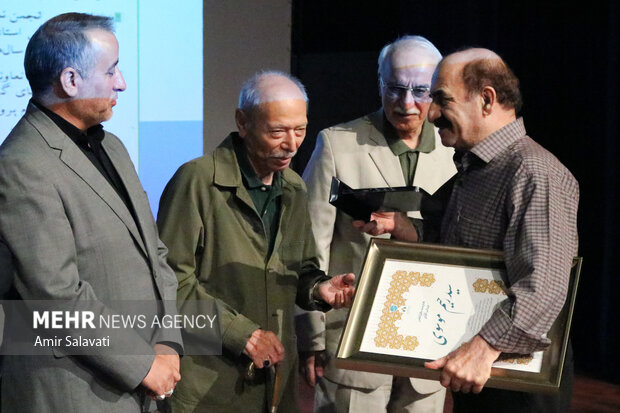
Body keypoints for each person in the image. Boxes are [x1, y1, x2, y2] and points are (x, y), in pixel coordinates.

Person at [0, 13, 183, 412]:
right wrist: (142, 364)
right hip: (80, 394)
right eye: (111, 70)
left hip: (148, 384)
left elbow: (157, 256)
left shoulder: (113, 146)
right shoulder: (20, 164)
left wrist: (168, 342)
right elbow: (56, 297)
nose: (122, 83)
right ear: (70, 81)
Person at [156, 71, 356, 413]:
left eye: (300, 130)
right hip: (208, 386)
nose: (292, 144)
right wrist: (243, 335)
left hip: (273, 382)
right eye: (277, 131)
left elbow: (298, 269)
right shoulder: (197, 181)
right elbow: (170, 284)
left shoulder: (293, 187)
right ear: (243, 122)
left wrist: (319, 289)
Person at [297, 35, 456, 413]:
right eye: (395, 88)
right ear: (379, 83)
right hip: (353, 340)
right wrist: (311, 336)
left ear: (436, 90)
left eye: (420, 90)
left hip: (431, 342)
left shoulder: (457, 150)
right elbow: (310, 245)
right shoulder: (337, 144)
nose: (406, 103)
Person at [419, 48, 578, 412]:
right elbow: (470, 246)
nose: (431, 114)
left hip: (518, 380)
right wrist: (408, 231)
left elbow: (545, 285)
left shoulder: (534, 172)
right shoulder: (477, 168)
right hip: (482, 372)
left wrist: (484, 347)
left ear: (486, 99)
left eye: (442, 99)